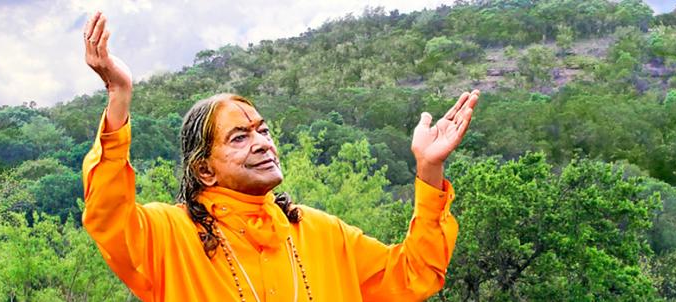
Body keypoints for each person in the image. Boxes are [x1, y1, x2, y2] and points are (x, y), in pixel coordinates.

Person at [79, 11, 477, 301]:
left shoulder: (322, 232)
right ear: (204, 170)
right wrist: (119, 98)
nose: (262, 143)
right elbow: (109, 217)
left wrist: (429, 169)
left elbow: (413, 275)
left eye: (263, 131)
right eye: (239, 137)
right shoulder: (169, 234)